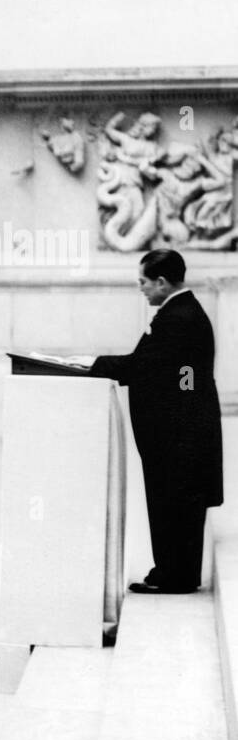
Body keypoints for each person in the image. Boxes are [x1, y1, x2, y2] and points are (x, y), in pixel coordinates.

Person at [88, 249, 224, 594]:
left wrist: (94, 364)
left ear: (162, 282)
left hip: (179, 434)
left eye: (144, 282)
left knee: (176, 506)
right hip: (181, 430)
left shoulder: (179, 317)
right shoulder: (182, 312)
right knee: (174, 506)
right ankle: (170, 571)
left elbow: (158, 368)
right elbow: (180, 373)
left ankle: (176, 577)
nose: (141, 289)